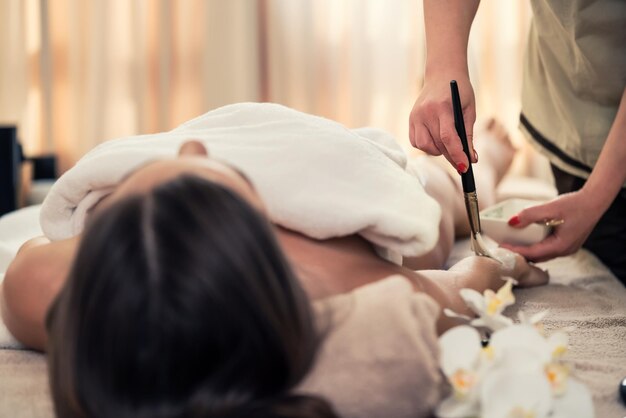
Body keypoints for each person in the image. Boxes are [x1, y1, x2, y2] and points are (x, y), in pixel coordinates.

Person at [0, 104, 547, 417]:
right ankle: (489, 163)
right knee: (442, 204)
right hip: (335, 164)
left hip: (248, 139)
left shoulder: (41, 288)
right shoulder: (349, 278)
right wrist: (502, 265)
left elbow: (33, 250)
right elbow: (469, 282)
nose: (193, 148)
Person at [409, 0, 626, 283]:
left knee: (422, 191)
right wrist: (442, 67)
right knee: (422, 190)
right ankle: (488, 160)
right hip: (573, 108)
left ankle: (488, 159)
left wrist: (595, 197)